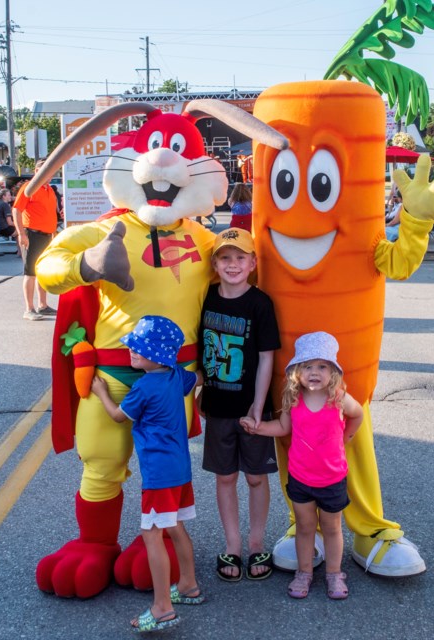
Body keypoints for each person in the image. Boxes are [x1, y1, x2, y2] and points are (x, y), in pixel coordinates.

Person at [89, 315, 205, 633]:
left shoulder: (143, 387)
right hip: (180, 469)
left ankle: (162, 608)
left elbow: (117, 416)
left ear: (158, 356)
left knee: (152, 534)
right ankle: (188, 586)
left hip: (158, 473)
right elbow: (196, 381)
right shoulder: (175, 376)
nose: (132, 353)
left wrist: (100, 390)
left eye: (140, 350)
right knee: (177, 526)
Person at [242, 331, 363, 600]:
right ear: (297, 371)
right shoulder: (293, 400)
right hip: (301, 479)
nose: (315, 372)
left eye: (322, 366)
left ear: (333, 371)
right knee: (305, 527)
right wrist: (258, 427)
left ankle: (334, 573)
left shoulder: (339, 398)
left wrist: (347, 438)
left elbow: (358, 415)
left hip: (332, 479)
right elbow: (283, 428)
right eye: (308, 366)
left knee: (332, 528)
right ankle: (304, 572)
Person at [199, 228, 280, 582]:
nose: (233, 264)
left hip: (252, 408)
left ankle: (256, 541)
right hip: (217, 406)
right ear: (215, 263)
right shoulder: (206, 297)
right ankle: (232, 545)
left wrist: (258, 408)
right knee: (226, 476)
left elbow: (266, 358)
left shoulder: (260, 303)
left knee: (256, 477)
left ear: (253, 263)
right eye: (225, 257)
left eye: (240, 257)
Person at [13, 159, 59, 320]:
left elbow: (50, 212)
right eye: (46, 170)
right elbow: (17, 210)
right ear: (37, 171)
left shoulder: (49, 189)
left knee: (42, 272)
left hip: (46, 235)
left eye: (51, 171)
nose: (49, 174)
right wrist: (21, 234)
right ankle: (29, 309)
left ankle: (43, 305)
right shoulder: (29, 188)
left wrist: (53, 233)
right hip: (32, 234)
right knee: (30, 272)